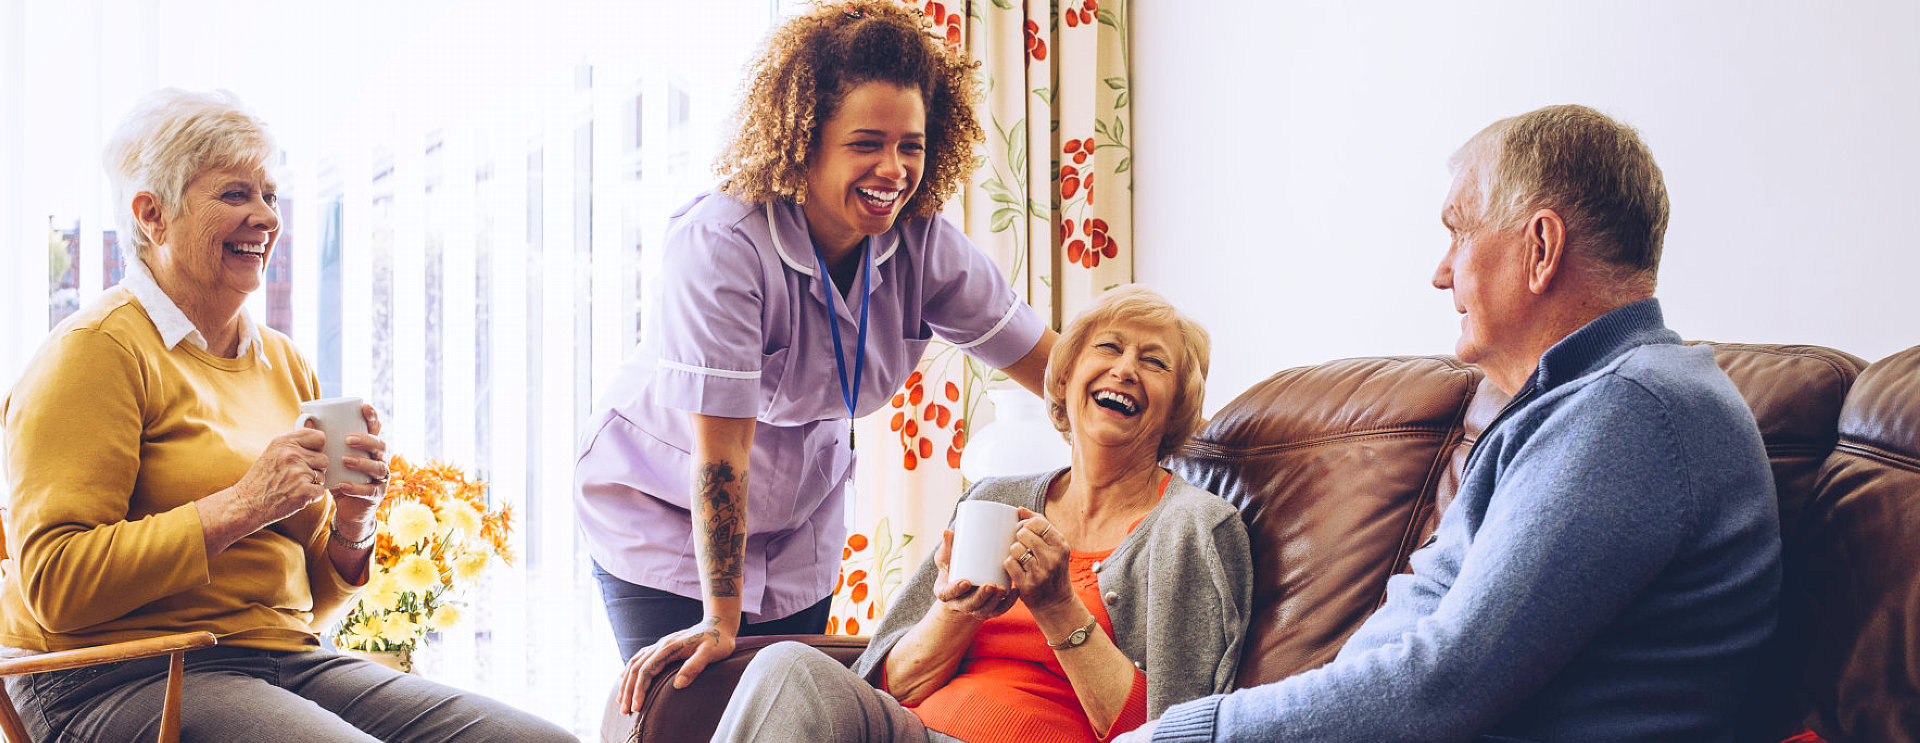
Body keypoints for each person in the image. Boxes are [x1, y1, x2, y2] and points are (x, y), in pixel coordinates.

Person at [1126, 105, 1781, 742]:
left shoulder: (1634, 408)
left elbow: (1441, 681)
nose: (1441, 273)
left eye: (1458, 232)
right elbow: (1417, 621)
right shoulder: (1566, 404)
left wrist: (1193, 733)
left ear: (1541, 247)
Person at [0, 89, 572, 742]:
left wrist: (353, 523)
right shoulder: (96, 351)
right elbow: (55, 581)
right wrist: (243, 503)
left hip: (276, 657)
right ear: (151, 215)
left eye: (270, 196)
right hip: (113, 677)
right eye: (235, 195)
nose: (265, 218)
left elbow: (308, 603)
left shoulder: (282, 361)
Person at [583, 0, 1058, 710]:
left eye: (912, 145)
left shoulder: (924, 245)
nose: (893, 169)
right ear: (804, 138)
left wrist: (1165, 440)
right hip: (667, 515)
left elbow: (1058, 371)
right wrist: (719, 616)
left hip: (799, 530)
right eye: (867, 143)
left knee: (785, 720)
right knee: (692, 714)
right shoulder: (724, 243)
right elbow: (720, 458)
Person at [708, 285, 1251, 742]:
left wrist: (1059, 606)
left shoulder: (1194, 526)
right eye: (1108, 348)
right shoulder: (995, 496)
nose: (1126, 369)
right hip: (912, 731)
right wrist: (957, 612)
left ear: (1177, 405)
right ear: (1064, 380)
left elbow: (1171, 731)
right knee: (787, 666)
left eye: (1154, 361)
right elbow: (890, 683)